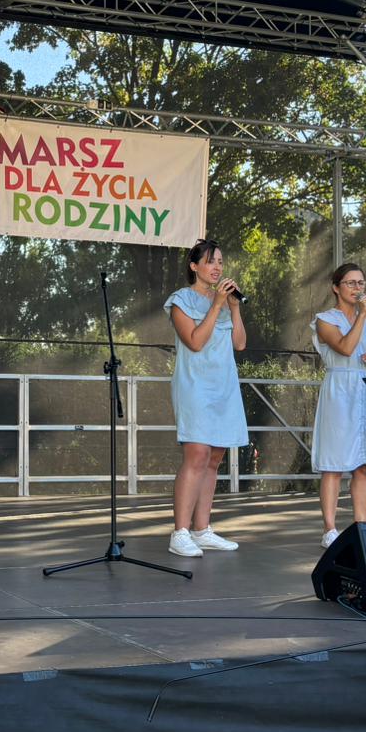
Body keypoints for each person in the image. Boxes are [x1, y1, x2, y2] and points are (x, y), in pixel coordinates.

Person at [162, 239, 248, 557]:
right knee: (197, 454)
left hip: (224, 385)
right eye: (211, 261)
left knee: (214, 458)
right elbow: (195, 342)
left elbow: (240, 343)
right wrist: (216, 306)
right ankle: (180, 533)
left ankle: (202, 529)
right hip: (195, 384)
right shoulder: (180, 300)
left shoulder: (226, 302)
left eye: (220, 262)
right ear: (194, 266)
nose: (217, 267)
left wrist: (233, 308)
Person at [310, 262, 366, 548]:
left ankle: (361, 525)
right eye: (351, 283)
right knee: (333, 463)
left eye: (361, 283)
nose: (358, 288)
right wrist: (362, 316)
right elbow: (344, 347)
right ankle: (329, 529)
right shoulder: (324, 320)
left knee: (364, 464)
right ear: (336, 287)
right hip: (340, 390)